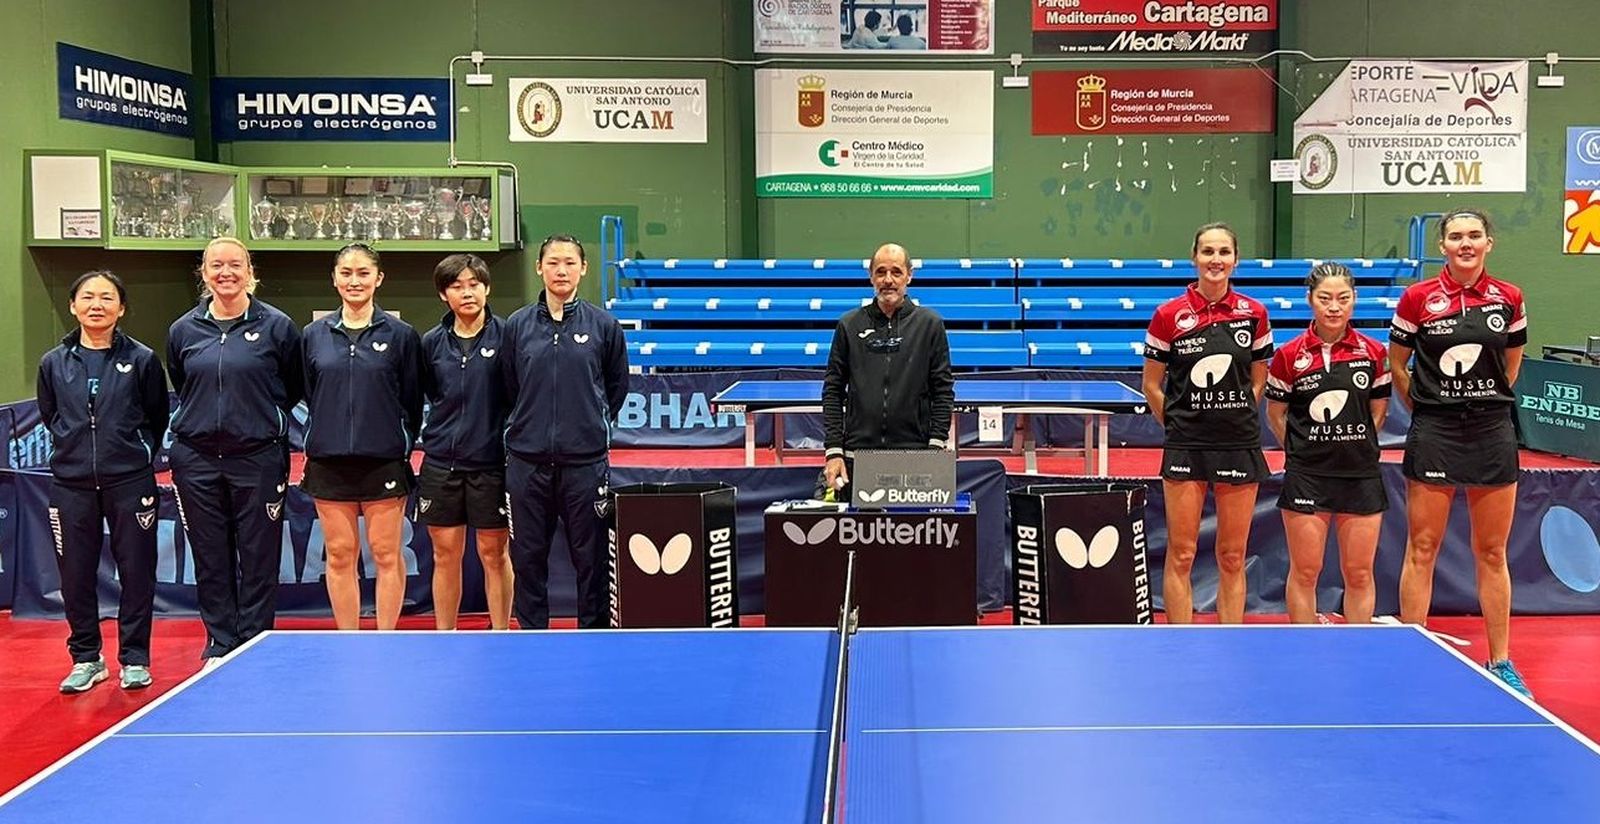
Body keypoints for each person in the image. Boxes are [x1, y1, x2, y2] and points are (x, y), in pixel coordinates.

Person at [1388, 208, 1532, 696]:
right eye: (1455, 236)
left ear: (1489, 243)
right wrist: (1427, 408)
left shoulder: (1509, 297)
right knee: (1422, 546)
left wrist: (1482, 400)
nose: (1465, 244)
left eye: (1474, 235)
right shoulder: (1417, 298)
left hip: (1491, 430)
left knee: (1491, 551)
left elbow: (1511, 365)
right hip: (1436, 431)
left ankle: (1501, 660)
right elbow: (1398, 364)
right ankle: (1411, 654)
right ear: (1443, 245)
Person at [167, 237, 302, 664]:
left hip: (258, 458)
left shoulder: (278, 326)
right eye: (216, 265)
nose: (226, 273)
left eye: (235, 265)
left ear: (249, 272)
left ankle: (255, 640)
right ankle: (220, 641)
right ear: (204, 273)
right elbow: (182, 382)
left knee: (259, 556)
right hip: (197, 460)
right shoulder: (183, 330)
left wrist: (262, 420)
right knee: (211, 556)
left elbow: (292, 386)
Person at [38, 271, 169, 692]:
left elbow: (156, 416)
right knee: (75, 575)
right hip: (71, 485)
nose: (97, 305)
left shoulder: (143, 359)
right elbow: (51, 415)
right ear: (73, 305)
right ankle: (86, 658)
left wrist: (134, 453)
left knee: (137, 571)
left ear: (121, 308)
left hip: (130, 482)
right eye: (88, 297)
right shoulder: (53, 363)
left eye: (107, 297)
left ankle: (135, 658)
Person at [1142, 223, 1272, 624]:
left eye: (1224, 252)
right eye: (1208, 252)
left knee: (1232, 555)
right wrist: (1178, 425)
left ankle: (1230, 639)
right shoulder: (1168, 315)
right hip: (1186, 444)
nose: (1216, 260)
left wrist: (1236, 414)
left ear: (1236, 259)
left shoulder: (1254, 314)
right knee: (1182, 552)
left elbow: (1259, 379)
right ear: (1194, 257)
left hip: (1237, 442)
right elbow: (1151, 385)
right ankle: (1180, 644)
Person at [501, 235, 628, 629]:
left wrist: (587, 425)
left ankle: (593, 638)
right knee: (527, 560)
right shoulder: (517, 326)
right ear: (539, 268)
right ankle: (532, 638)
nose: (561, 270)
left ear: (583, 269)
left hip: (585, 465)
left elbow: (615, 388)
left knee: (591, 561)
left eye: (570, 263)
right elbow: (509, 387)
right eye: (553, 262)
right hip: (527, 465)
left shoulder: (604, 326)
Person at [300, 243, 424, 630]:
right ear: (334, 279)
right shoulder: (313, 335)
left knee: (386, 553)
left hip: (383, 462)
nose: (355, 281)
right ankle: (348, 641)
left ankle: (386, 640)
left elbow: (411, 398)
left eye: (363, 273)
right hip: (328, 463)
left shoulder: (402, 335)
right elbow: (309, 391)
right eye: (346, 273)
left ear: (378, 278)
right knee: (339, 554)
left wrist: (397, 443)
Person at [1265, 263, 1390, 624]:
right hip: (1307, 476)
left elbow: (1378, 411)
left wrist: (1354, 445)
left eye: (1343, 298)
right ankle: (1304, 649)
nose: (1334, 307)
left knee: (1360, 574)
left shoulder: (1373, 352)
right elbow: (1276, 414)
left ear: (1354, 300)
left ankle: (1357, 650)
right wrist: (1301, 452)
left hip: (1360, 475)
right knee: (1305, 572)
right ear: (1310, 300)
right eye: (1324, 298)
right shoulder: (1289, 355)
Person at [418, 253, 512, 630]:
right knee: (445, 555)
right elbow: (428, 394)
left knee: (494, 553)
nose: (467, 292)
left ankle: (501, 632)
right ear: (444, 294)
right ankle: (447, 634)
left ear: (487, 288)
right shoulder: (431, 343)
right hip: (442, 464)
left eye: (474, 284)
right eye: (457, 286)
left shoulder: (508, 336)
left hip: (491, 464)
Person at [821, 243, 955, 497]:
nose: (888, 280)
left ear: (909, 276)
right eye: (881, 272)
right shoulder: (849, 325)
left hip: (916, 455)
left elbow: (943, 391)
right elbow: (833, 391)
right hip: (857, 457)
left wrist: (936, 446)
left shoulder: (930, 325)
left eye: (896, 272)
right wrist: (834, 451)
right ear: (871, 276)